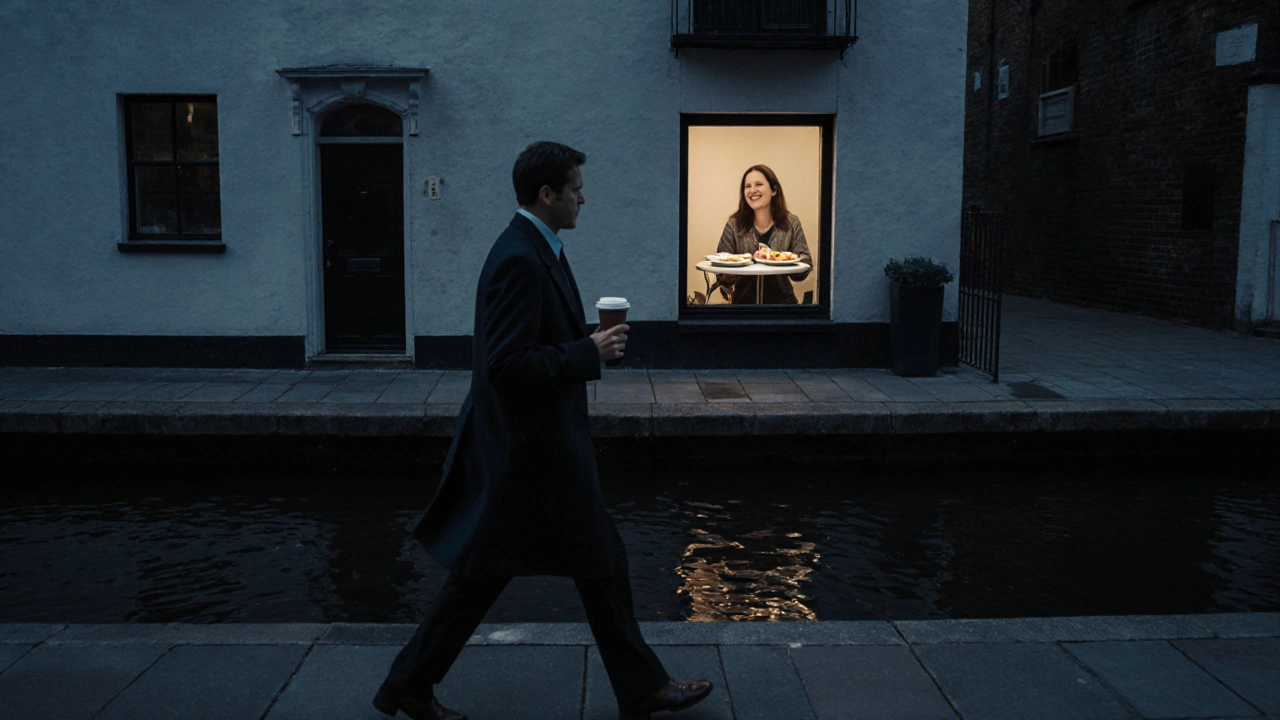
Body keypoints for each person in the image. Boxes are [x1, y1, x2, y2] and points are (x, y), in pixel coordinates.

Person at [373, 141, 713, 720]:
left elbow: (529, 344)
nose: (584, 196)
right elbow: (503, 365)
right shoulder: (519, 258)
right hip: (529, 457)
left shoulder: (537, 248)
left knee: (589, 560)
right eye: (575, 187)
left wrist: (587, 348)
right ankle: (409, 683)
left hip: (535, 452)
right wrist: (587, 351)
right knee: (515, 571)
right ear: (546, 194)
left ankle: (638, 687)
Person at [715, 164, 813, 304]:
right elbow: (721, 273)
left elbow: (804, 265)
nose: (752, 190)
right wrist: (730, 273)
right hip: (743, 307)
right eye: (747, 186)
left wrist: (785, 261)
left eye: (759, 184)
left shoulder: (791, 223)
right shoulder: (733, 225)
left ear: (774, 190)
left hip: (783, 307)